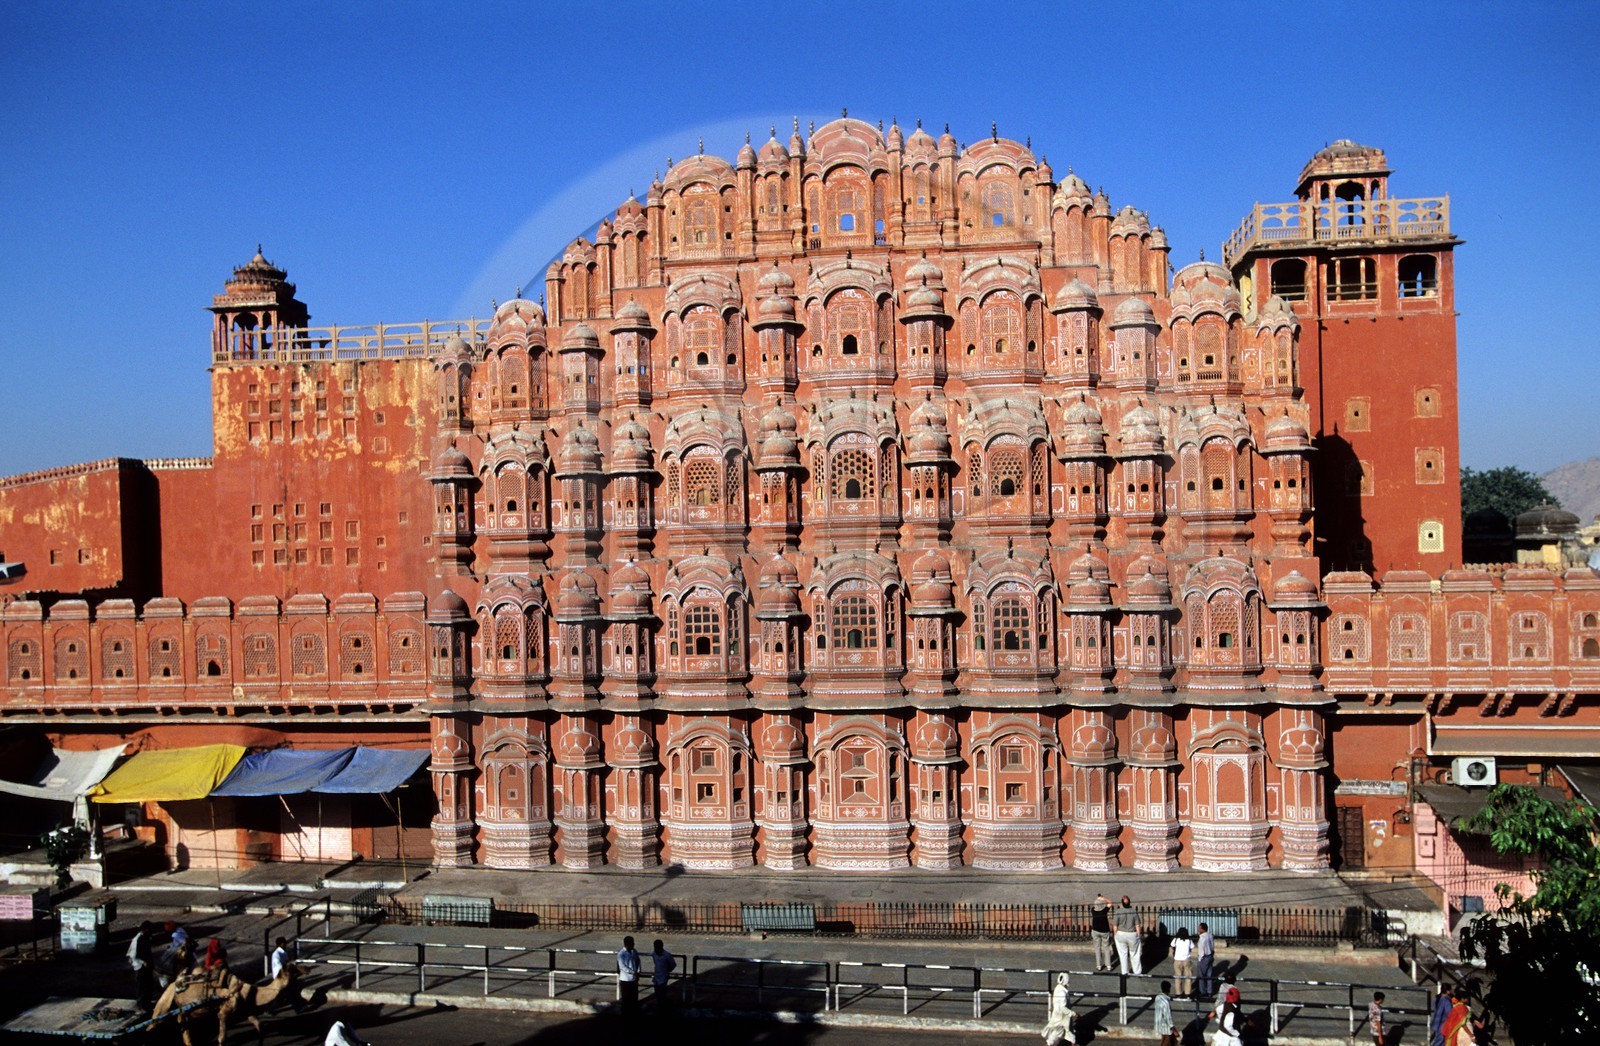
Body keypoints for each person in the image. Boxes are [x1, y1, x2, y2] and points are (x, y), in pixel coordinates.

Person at [129, 921, 156, 1012]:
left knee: (149, 985)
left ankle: (147, 1003)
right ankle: (141, 1005)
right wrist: (143, 962)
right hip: (140, 966)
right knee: (141, 986)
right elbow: (133, 955)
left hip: (147, 966)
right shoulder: (138, 939)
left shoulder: (146, 937)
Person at [1113, 896, 1143, 978]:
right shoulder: (1134, 912)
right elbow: (1137, 925)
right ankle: (1137, 972)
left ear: (1122, 903)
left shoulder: (1118, 911)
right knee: (1135, 954)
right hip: (1132, 934)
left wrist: (1115, 934)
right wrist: (1138, 935)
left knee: (1123, 954)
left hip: (1121, 933)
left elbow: (1115, 925)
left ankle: (1124, 972)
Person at [1042, 971, 1075, 1045]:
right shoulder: (1062, 993)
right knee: (1054, 1039)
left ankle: (1073, 1043)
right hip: (1061, 1019)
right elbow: (1063, 1007)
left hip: (1059, 1017)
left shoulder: (1058, 988)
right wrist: (1073, 1013)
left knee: (1063, 1035)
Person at [616, 935, 641, 1016]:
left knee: (634, 998)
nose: (633, 944)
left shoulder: (634, 951)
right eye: (632, 943)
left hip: (633, 979)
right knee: (626, 999)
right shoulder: (621, 954)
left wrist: (638, 971)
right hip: (625, 980)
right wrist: (633, 972)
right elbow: (622, 967)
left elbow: (638, 961)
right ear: (627, 944)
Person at [650, 939, 676, 1012]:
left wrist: (667, 971)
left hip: (663, 977)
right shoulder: (654, 954)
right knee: (657, 994)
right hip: (656, 977)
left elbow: (673, 964)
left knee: (661, 994)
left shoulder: (667, 955)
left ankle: (663, 1009)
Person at [1090, 894, 1114, 972]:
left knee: (1097, 948)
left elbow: (1096, 905)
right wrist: (1103, 899)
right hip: (1104, 931)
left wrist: (1098, 899)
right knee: (1106, 948)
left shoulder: (1093, 910)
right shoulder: (1104, 911)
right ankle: (1109, 965)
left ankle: (1099, 965)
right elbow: (1110, 902)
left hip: (1095, 930)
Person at [1170, 928, 1195, 999]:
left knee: (1178, 976)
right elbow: (1192, 947)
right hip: (1186, 959)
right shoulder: (1189, 940)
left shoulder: (1176, 939)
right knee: (1188, 976)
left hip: (1177, 959)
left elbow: (1172, 945)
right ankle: (1187, 993)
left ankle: (1178, 993)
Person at [1195, 922, 1216, 999]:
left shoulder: (1202, 938)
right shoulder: (1210, 935)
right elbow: (1212, 945)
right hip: (1210, 955)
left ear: (1202, 929)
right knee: (1209, 975)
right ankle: (1210, 991)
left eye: (1199, 928)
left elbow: (1201, 949)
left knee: (1201, 975)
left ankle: (1203, 991)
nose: (1198, 929)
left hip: (1204, 957)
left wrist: (1200, 959)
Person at [1153, 979, 1175, 1046]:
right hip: (1165, 1026)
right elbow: (1168, 1017)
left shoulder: (1158, 997)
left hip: (1158, 1024)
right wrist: (1174, 1029)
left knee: (1164, 1041)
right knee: (1166, 1042)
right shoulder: (1166, 1003)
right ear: (1169, 989)